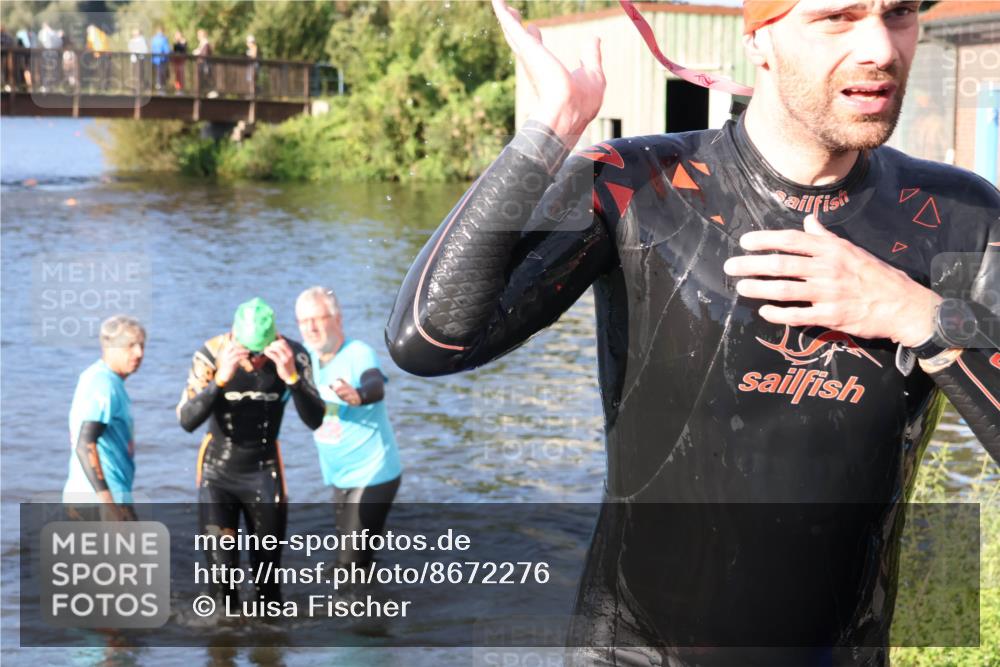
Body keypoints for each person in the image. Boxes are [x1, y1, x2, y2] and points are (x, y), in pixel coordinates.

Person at [386, 1, 1000, 665]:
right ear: (762, 39)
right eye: (839, 17)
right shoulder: (635, 186)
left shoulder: (957, 217)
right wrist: (548, 131)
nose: (881, 45)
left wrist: (919, 318)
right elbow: (430, 337)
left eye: (899, 12)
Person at [177, 297, 324, 606]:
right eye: (249, 351)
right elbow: (186, 420)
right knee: (222, 581)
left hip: (264, 472)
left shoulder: (293, 355)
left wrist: (292, 379)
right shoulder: (210, 354)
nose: (256, 361)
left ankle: (268, 651)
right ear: (233, 337)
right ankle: (223, 650)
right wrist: (219, 380)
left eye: (261, 352)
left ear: (276, 340)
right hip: (217, 474)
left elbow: (316, 420)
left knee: (268, 583)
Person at [296, 287, 402, 567]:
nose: (312, 328)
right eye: (304, 322)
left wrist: (358, 395)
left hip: (374, 473)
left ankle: (368, 607)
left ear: (337, 319)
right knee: (354, 559)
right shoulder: (303, 359)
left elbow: (375, 384)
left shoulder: (358, 353)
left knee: (350, 564)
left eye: (318, 319)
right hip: (339, 476)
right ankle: (371, 603)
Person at [63, 316, 146, 522]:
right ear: (109, 347)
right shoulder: (104, 385)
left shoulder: (99, 378)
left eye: (141, 345)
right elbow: (85, 444)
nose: (139, 353)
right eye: (130, 346)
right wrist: (109, 506)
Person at [192, 29, 214, 97]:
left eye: (199, 35)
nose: (198, 36)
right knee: (203, 78)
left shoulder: (205, 43)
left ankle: (209, 92)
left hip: (205, 64)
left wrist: (198, 53)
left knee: (206, 77)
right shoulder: (202, 43)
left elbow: (204, 54)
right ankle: (204, 92)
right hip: (203, 64)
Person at [150, 26, 170, 91]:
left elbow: (152, 49)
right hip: (162, 59)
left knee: (157, 72)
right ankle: (161, 86)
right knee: (162, 73)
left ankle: (157, 84)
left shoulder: (154, 39)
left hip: (155, 59)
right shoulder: (163, 39)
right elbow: (167, 50)